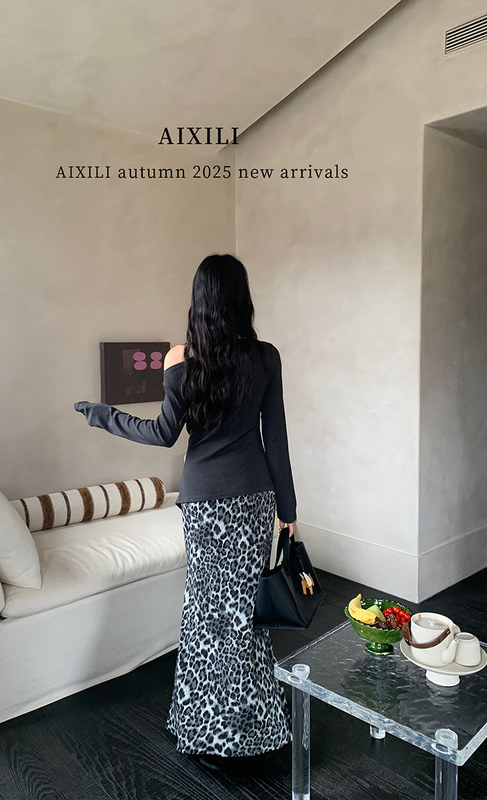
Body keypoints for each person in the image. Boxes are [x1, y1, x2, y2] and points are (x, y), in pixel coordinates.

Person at [74, 253, 297, 764]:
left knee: (205, 614)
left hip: (203, 506)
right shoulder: (266, 357)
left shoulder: (181, 358)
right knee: (245, 616)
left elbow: (161, 434)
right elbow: (277, 439)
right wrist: (288, 510)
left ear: (200, 300)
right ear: (241, 298)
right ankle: (254, 731)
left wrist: (102, 416)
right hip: (254, 501)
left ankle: (203, 728)